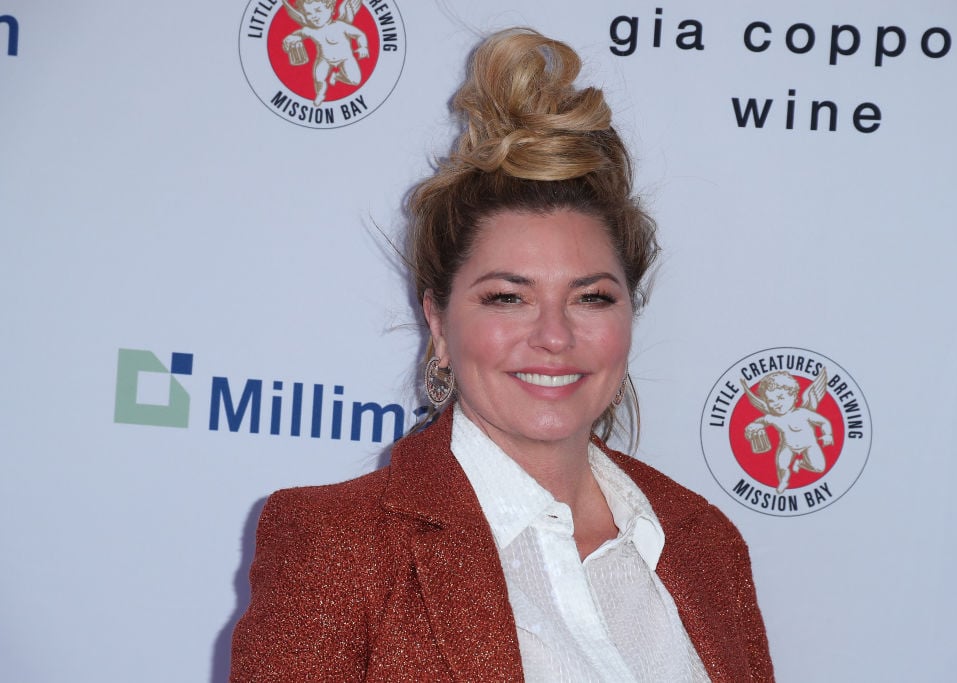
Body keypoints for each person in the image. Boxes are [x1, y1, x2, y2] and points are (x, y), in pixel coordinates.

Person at [231, 28, 774, 682]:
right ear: (438, 323)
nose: (553, 335)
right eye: (508, 298)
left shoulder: (705, 541)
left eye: (591, 297)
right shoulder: (337, 546)